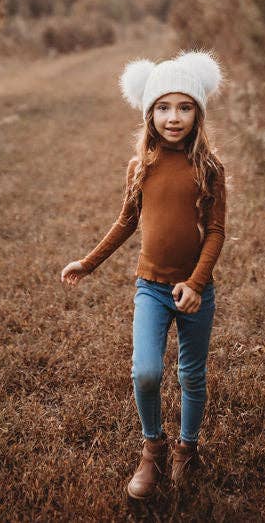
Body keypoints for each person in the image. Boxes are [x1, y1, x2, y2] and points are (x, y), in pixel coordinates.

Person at [60, 50, 228, 500]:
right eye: (163, 107)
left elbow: (215, 231)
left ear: (198, 112)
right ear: (149, 113)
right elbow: (127, 222)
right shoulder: (141, 167)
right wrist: (88, 261)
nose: (174, 118)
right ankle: (152, 449)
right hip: (150, 288)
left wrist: (195, 284)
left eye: (185, 107)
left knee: (191, 374)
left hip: (195, 292)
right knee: (147, 373)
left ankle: (187, 449)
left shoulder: (209, 169)